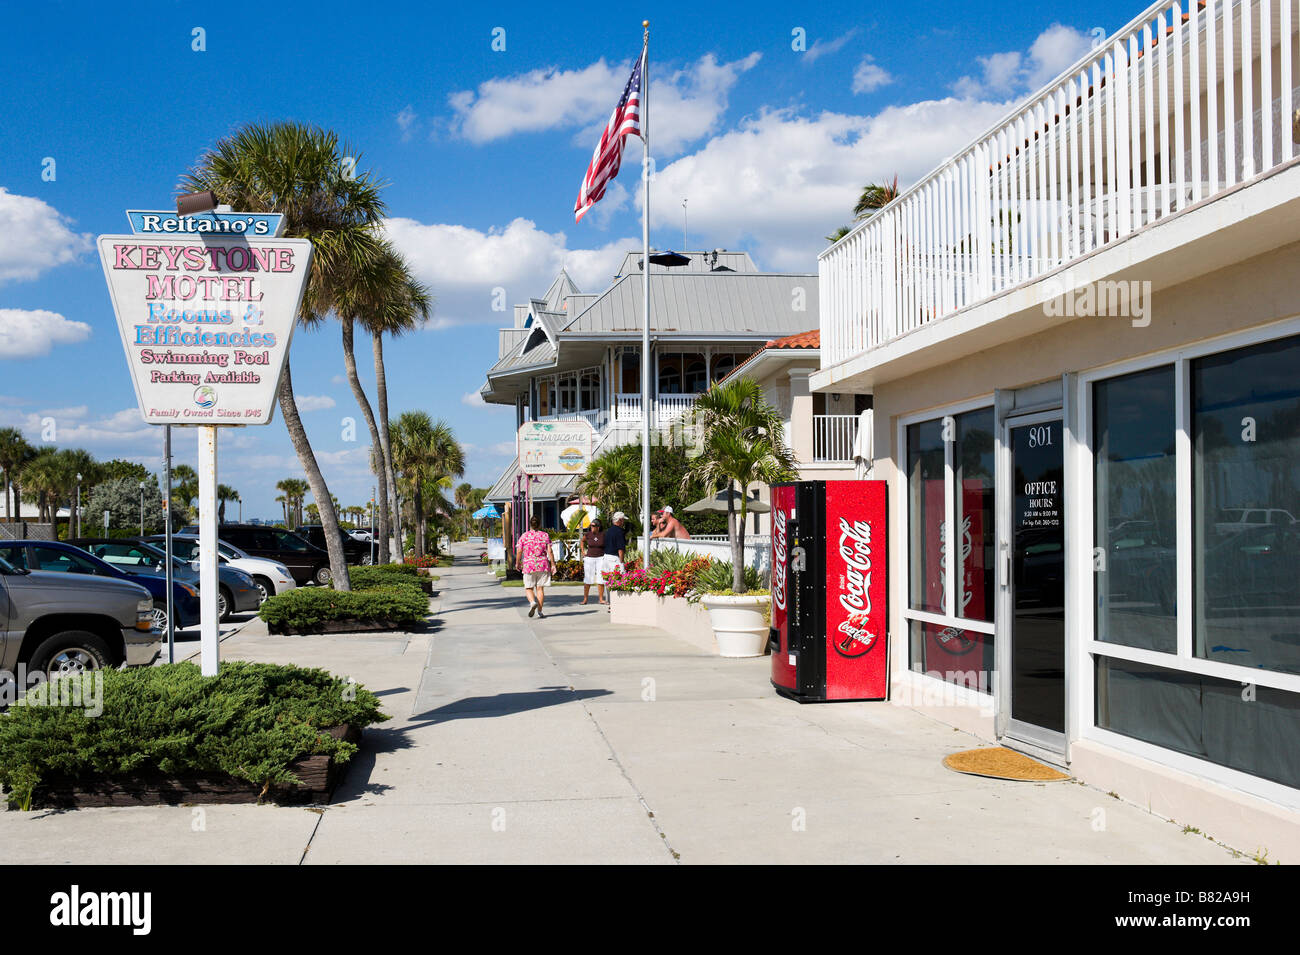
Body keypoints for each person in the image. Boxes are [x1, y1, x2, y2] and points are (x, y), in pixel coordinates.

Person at [515, 515, 556, 619]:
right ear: (539, 524)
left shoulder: (524, 536)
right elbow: (549, 551)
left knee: (528, 587)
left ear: (530, 524)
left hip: (529, 565)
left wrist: (517, 563)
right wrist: (553, 564)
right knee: (540, 589)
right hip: (543, 565)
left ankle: (532, 602)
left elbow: (519, 551)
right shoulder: (545, 535)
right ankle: (540, 611)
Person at [580, 517, 607, 605]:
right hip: (589, 558)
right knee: (588, 578)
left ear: (598, 527)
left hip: (601, 558)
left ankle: (601, 599)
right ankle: (585, 599)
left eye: (593, 526)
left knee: (600, 578)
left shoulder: (603, 534)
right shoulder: (588, 534)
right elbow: (582, 541)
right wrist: (583, 551)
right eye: (591, 526)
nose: (592, 528)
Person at [603, 512, 628, 579]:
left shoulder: (608, 531)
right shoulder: (620, 531)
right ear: (620, 520)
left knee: (607, 580)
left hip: (606, 557)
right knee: (617, 580)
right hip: (614, 559)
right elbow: (620, 549)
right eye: (623, 520)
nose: (623, 522)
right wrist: (622, 563)